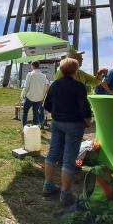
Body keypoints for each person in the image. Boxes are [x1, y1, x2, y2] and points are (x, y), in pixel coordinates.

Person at [43, 58, 92, 207]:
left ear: (61, 70)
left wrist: (58, 113)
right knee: (69, 158)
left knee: (53, 153)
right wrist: (87, 120)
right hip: (74, 124)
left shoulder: (54, 85)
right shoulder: (79, 86)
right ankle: (66, 194)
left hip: (57, 123)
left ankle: (48, 186)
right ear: (75, 70)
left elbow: (47, 105)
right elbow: (84, 107)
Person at [22, 61, 48, 126]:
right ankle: (35, 128)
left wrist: (24, 94)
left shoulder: (29, 74)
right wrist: (43, 97)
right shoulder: (44, 76)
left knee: (25, 112)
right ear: (38, 66)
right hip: (39, 97)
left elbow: (27, 86)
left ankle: (24, 126)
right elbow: (45, 87)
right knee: (35, 113)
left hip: (30, 96)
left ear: (32, 66)